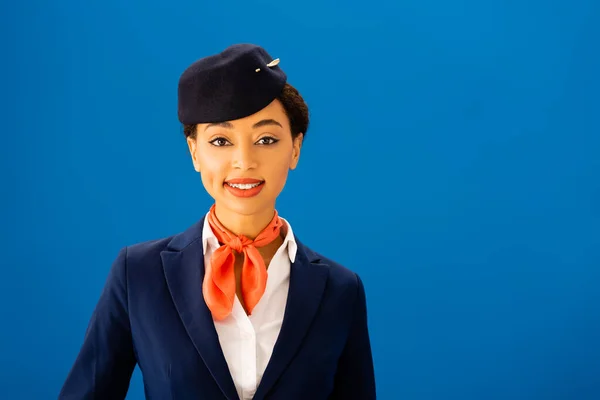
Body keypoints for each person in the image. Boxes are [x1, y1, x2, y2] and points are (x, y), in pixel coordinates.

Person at [59, 43, 376, 400]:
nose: (244, 161)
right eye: (221, 141)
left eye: (266, 139)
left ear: (295, 149)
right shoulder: (138, 274)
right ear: (195, 152)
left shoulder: (341, 290)